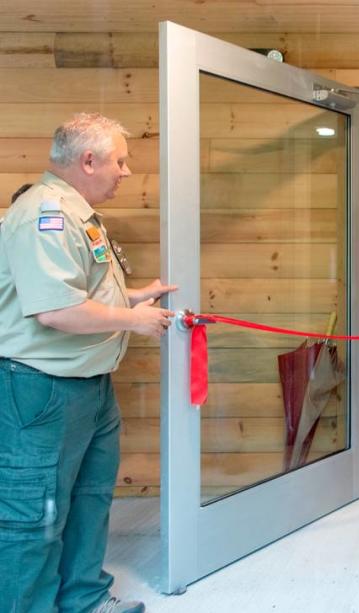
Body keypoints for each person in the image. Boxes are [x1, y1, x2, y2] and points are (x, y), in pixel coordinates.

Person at [0, 113, 176, 613]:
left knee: (90, 499)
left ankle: (84, 599)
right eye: (120, 160)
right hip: (42, 388)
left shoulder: (78, 214)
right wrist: (133, 320)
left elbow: (76, 289)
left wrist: (137, 295)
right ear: (88, 160)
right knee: (36, 514)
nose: (125, 171)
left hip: (89, 385)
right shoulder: (45, 215)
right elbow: (55, 310)